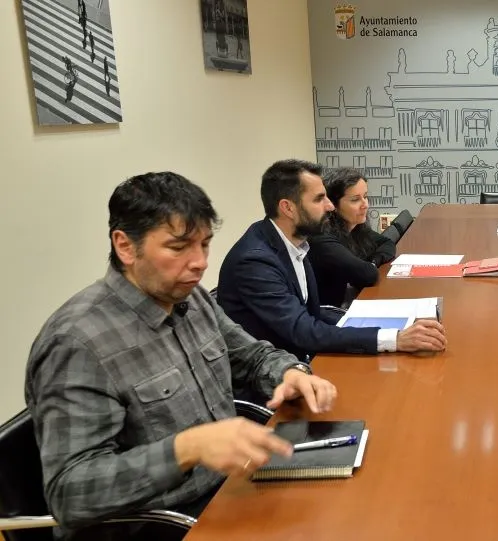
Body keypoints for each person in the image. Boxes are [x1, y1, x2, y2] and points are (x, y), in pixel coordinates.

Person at [25, 172, 337, 537]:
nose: (200, 262)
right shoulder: (77, 343)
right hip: (163, 523)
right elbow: (71, 494)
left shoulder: (190, 297)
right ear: (125, 247)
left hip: (228, 490)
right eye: (179, 247)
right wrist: (186, 449)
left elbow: (251, 355)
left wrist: (290, 373)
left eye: (204, 244)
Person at [216, 159, 446, 362]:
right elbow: (304, 331)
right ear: (287, 208)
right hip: (284, 376)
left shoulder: (294, 241)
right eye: (319, 199)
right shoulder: (255, 262)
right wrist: (395, 339)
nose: (329, 206)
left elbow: (312, 313)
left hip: (307, 355)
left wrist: (393, 326)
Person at [306, 167, 395, 308]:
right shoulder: (321, 237)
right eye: (355, 200)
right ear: (333, 205)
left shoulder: (355, 227)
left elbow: (386, 243)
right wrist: (370, 266)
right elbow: (367, 275)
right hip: (330, 315)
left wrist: (373, 261)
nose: (365, 205)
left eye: (365, 196)